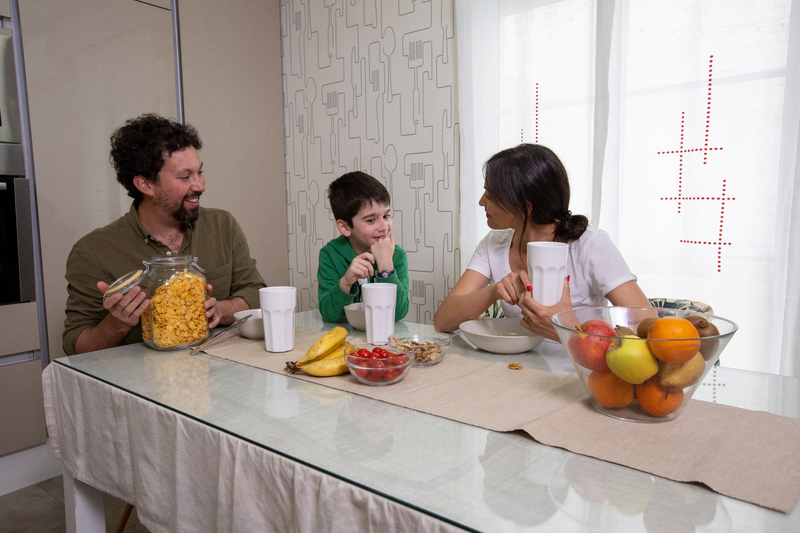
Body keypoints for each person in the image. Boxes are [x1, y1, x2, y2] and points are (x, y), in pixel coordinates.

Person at [63, 113, 266, 355]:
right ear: (145, 185)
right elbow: (75, 346)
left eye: (200, 172)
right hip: (139, 385)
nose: (200, 185)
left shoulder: (223, 225)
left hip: (219, 375)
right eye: (185, 176)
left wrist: (220, 310)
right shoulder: (92, 251)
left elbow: (255, 292)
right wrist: (117, 323)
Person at [433, 144, 649, 340]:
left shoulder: (590, 245)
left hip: (578, 373)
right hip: (518, 368)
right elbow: (443, 321)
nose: (481, 202)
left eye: (490, 195)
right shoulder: (493, 243)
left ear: (524, 208)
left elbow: (649, 330)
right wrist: (494, 291)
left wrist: (565, 328)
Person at [317, 171, 410, 323]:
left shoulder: (396, 255)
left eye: (386, 216)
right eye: (371, 220)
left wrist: (386, 267)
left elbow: (398, 314)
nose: (383, 227)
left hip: (382, 337)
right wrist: (346, 282)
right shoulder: (330, 254)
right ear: (345, 227)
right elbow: (329, 314)